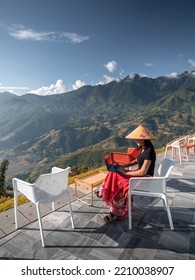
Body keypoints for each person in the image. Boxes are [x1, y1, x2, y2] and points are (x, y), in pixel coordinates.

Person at [98, 124, 157, 223]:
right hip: (139, 175)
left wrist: (126, 172)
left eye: (136, 139)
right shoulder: (143, 149)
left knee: (119, 181)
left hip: (144, 178)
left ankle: (116, 211)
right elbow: (137, 161)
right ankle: (105, 191)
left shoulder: (150, 151)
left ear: (142, 139)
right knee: (113, 172)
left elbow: (143, 171)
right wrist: (124, 166)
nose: (135, 140)